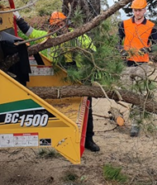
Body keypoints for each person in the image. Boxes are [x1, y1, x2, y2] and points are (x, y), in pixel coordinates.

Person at [14, 11, 100, 152]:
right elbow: (30, 32)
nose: (59, 28)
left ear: (66, 23)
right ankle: (64, 141)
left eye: (61, 24)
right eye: (56, 25)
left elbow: (93, 53)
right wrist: (18, 18)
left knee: (86, 109)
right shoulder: (49, 37)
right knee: (63, 109)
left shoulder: (78, 35)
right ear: (52, 27)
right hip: (59, 76)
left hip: (80, 76)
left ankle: (88, 139)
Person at [118, 0, 157, 137]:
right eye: (135, 10)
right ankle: (123, 115)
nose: (137, 13)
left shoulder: (151, 27)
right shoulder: (124, 24)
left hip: (142, 65)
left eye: (140, 10)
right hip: (126, 64)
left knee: (138, 94)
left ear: (145, 10)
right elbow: (117, 41)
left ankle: (135, 124)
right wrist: (120, 50)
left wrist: (147, 49)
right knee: (126, 93)